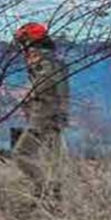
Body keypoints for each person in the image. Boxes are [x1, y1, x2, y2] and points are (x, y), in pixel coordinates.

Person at [12, 23, 70, 197]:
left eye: (23, 41)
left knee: (21, 153)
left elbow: (44, 86)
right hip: (54, 115)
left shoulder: (42, 61)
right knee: (54, 157)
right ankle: (54, 194)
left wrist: (27, 95)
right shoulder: (54, 60)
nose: (22, 46)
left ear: (30, 41)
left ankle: (42, 188)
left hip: (43, 115)